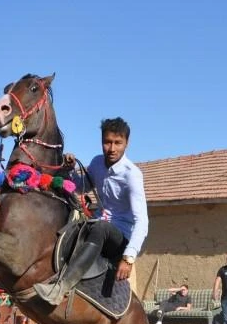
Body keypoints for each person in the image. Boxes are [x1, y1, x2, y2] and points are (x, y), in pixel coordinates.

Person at [34, 117, 148, 305]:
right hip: (96, 226)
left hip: (119, 238)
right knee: (70, 228)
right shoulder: (96, 163)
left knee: (101, 228)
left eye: (117, 143)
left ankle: (61, 288)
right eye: (107, 142)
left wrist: (129, 258)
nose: (111, 148)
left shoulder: (132, 174)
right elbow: (79, 186)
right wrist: (68, 170)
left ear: (126, 143)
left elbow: (142, 220)